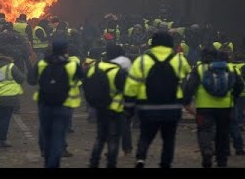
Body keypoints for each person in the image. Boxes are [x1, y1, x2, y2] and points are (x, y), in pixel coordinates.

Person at [124, 31, 191, 168]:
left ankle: (141, 158)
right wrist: (185, 100)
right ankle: (165, 163)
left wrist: (129, 106)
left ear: (152, 43)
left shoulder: (142, 60)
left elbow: (131, 85)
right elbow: (187, 81)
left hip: (147, 106)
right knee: (169, 139)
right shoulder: (179, 60)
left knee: (145, 135)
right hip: (172, 107)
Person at [28, 38, 85, 168]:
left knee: (46, 132)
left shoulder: (41, 63)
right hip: (64, 104)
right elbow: (82, 78)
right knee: (58, 136)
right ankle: (53, 163)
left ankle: (46, 156)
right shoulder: (71, 64)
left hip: (44, 103)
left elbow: (31, 80)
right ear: (66, 49)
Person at [184, 48, 243, 168]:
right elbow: (240, 85)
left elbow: (190, 86)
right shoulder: (229, 68)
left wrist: (186, 101)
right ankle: (222, 160)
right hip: (225, 107)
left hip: (204, 108)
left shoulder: (199, 69)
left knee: (204, 130)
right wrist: (233, 98)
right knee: (223, 133)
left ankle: (207, 150)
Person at [87, 45, 129, 168]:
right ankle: (111, 163)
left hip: (100, 108)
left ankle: (93, 162)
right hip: (116, 109)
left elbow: (87, 85)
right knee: (114, 139)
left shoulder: (96, 67)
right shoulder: (118, 71)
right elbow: (126, 91)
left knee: (100, 137)